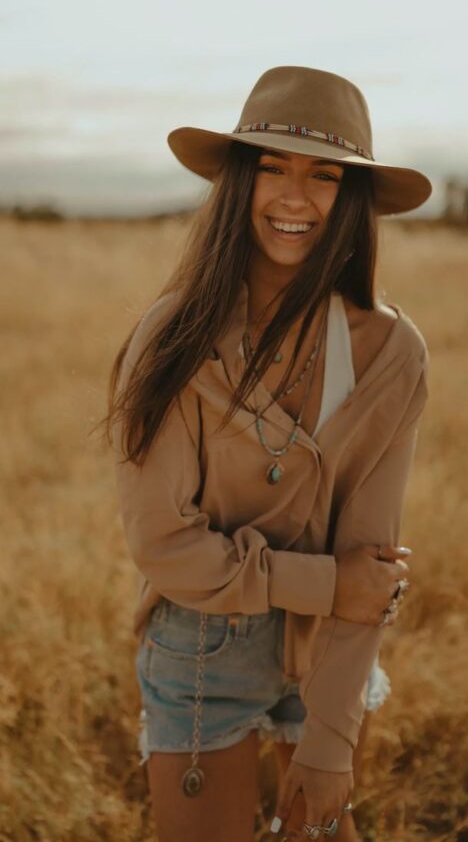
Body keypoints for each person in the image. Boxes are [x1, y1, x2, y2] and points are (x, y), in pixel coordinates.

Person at [106, 65, 432, 842]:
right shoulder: (175, 337)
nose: (296, 198)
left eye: (324, 176)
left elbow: (370, 563)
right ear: (238, 184)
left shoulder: (392, 350)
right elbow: (164, 545)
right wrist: (327, 583)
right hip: (200, 647)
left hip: (327, 654)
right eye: (272, 169)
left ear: (351, 198)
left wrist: (329, 742)